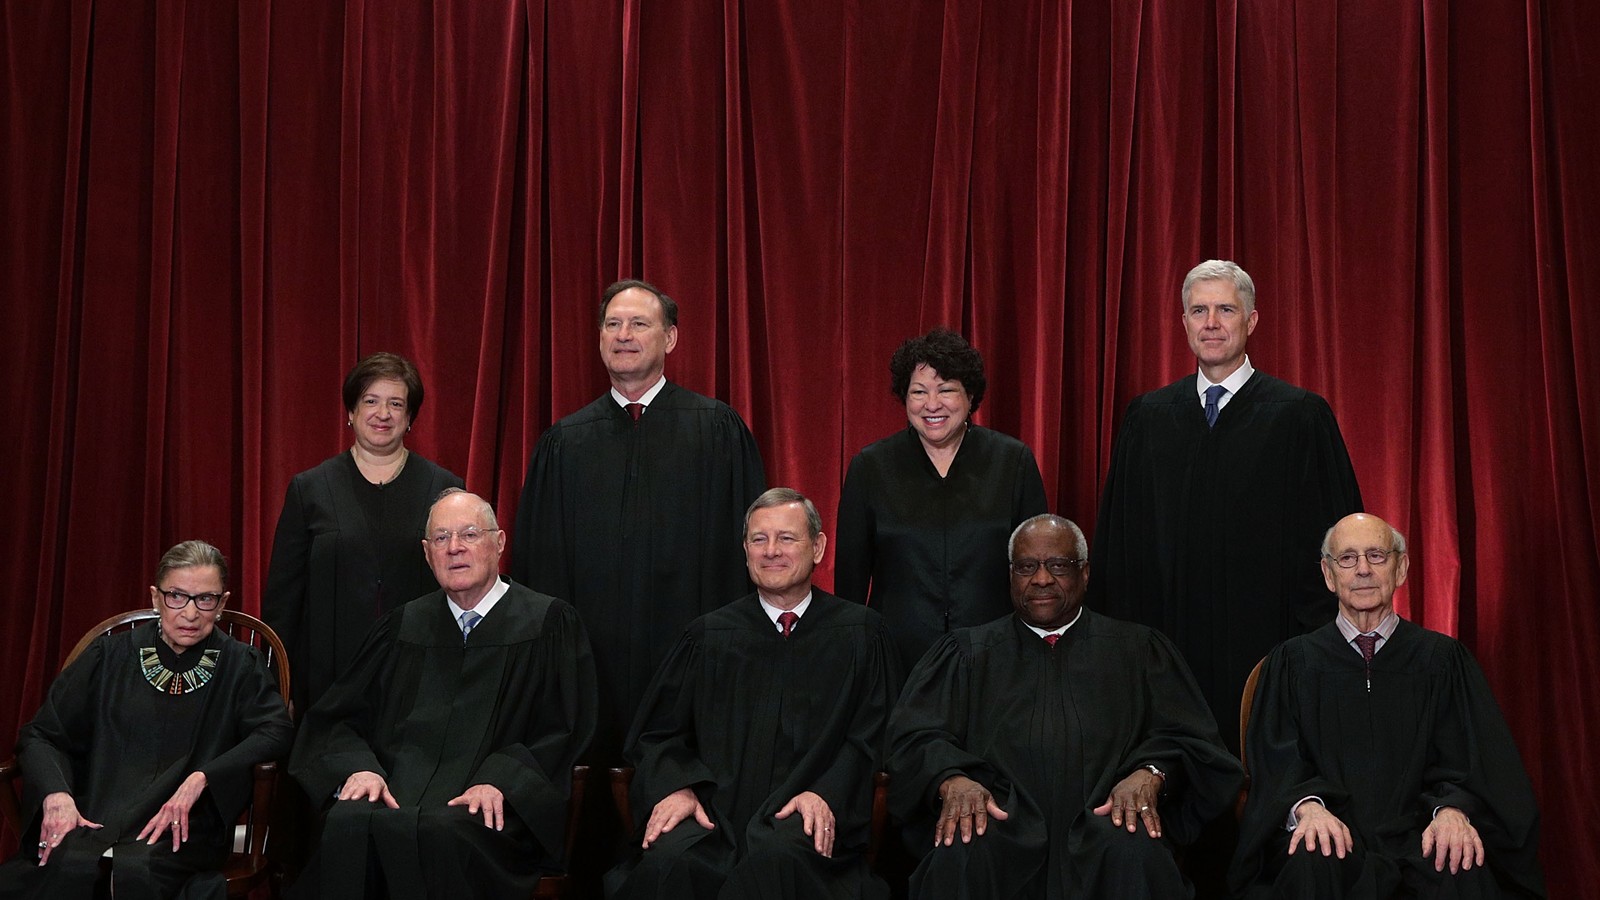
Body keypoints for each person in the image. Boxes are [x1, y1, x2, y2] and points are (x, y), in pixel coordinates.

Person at [886, 515, 1243, 899]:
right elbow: (912, 739)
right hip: (997, 825)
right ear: (1010, 576)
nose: (1041, 579)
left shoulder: (1138, 651)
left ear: (1085, 573)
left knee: (1134, 850)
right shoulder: (966, 654)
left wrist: (1151, 773)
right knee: (962, 850)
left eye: (1058, 565)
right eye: (1026, 567)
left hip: (1109, 824)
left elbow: (1193, 742)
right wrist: (951, 779)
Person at [1089, 259, 1363, 748]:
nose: (1211, 323)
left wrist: (1310, 655)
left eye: (1225, 310)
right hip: (1167, 654)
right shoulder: (1148, 419)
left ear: (1251, 320)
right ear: (1184, 323)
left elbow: (1335, 547)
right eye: (1199, 310)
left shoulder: (1299, 417)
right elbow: (1119, 550)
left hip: (1267, 651)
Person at [287, 489, 597, 900]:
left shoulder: (548, 623)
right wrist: (359, 768)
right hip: (397, 793)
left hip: (490, 808)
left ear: (499, 542)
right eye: (441, 538)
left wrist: (501, 779)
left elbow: (566, 727)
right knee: (348, 822)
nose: (455, 548)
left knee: (440, 831)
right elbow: (337, 715)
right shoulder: (403, 626)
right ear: (427, 552)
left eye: (469, 534)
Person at [513, 279, 765, 760]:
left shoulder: (717, 430)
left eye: (639, 324)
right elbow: (537, 565)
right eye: (613, 324)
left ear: (669, 338)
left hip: (693, 656)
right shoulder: (564, 443)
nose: (623, 334)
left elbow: (751, 555)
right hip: (590, 662)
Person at [1230, 513, 1544, 899]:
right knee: (1310, 859)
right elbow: (1276, 759)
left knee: (1459, 859)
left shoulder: (1443, 661)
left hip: (1421, 834)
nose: (1362, 569)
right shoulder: (1293, 664)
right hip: (1329, 833)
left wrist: (1452, 810)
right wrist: (1306, 808)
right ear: (1329, 576)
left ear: (1401, 568)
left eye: (1377, 555)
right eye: (1347, 558)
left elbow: (1476, 762)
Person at [607, 488, 900, 900]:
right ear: (745, 551)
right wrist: (678, 788)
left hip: (803, 810)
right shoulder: (708, 636)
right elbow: (657, 734)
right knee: (670, 862)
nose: (771, 551)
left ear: (817, 548)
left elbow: (873, 738)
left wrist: (826, 794)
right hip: (714, 816)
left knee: (780, 860)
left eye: (786, 538)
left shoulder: (861, 634)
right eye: (759, 540)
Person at [0, 541, 293, 900]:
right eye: (176, 596)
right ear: (156, 598)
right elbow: (41, 734)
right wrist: (57, 794)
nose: (190, 613)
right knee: (67, 862)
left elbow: (277, 730)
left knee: (141, 867)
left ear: (222, 604)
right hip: (96, 808)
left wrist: (204, 777)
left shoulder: (240, 665)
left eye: (205, 599)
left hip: (186, 823)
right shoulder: (108, 655)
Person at [835, 327, 1048, 669]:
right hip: (897, 659)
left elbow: (1036, 564)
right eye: (918, 391)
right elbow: (851, 579)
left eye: (946, 390)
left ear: (970, 397)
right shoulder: (871, 467)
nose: (932, 404)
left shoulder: (1012, 461)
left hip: (995, 655)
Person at [263, 351, 463, 714]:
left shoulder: (445, 490)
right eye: (370, 400)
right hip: (326, 680)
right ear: (351, 413)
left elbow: (463, 587)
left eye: (395, 403)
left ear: (410, 418)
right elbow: (284, 599)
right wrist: (280, 685)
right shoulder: (310, 489)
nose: (382, 413)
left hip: (421, 677)